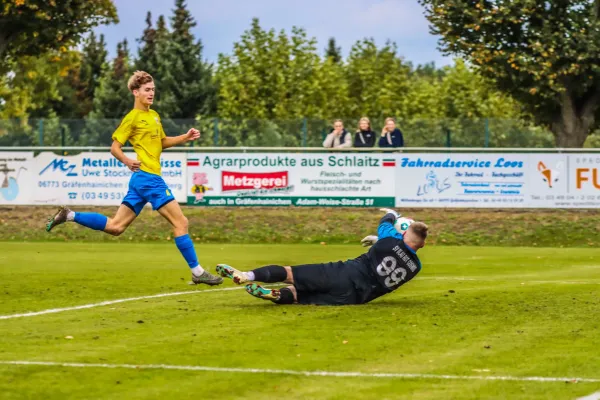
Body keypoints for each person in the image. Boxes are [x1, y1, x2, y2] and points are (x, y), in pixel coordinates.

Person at [45, 70, 223, 286]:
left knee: (116, 227)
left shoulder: (154, 116)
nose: (151, 93)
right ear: (135, 92)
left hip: (141, 180)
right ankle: (197, 271)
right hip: (149, 179)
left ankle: (70, 215)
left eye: (153, 89)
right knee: (181, 222)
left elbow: (161, 142)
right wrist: (128, 161)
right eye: (147, 90)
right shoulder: (132, 118)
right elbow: (114, 148)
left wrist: (185, 137)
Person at [215, 209, 427, 305]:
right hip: (356, 298)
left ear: (405, 234)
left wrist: (392, 214)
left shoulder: (390, 241)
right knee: (300, 295)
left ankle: (246, 276)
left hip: (346, 273)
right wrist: (379, 241)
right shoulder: (415, 267)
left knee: (292, 273)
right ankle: (277, 295)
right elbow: (398, 251)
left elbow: (385, 224)